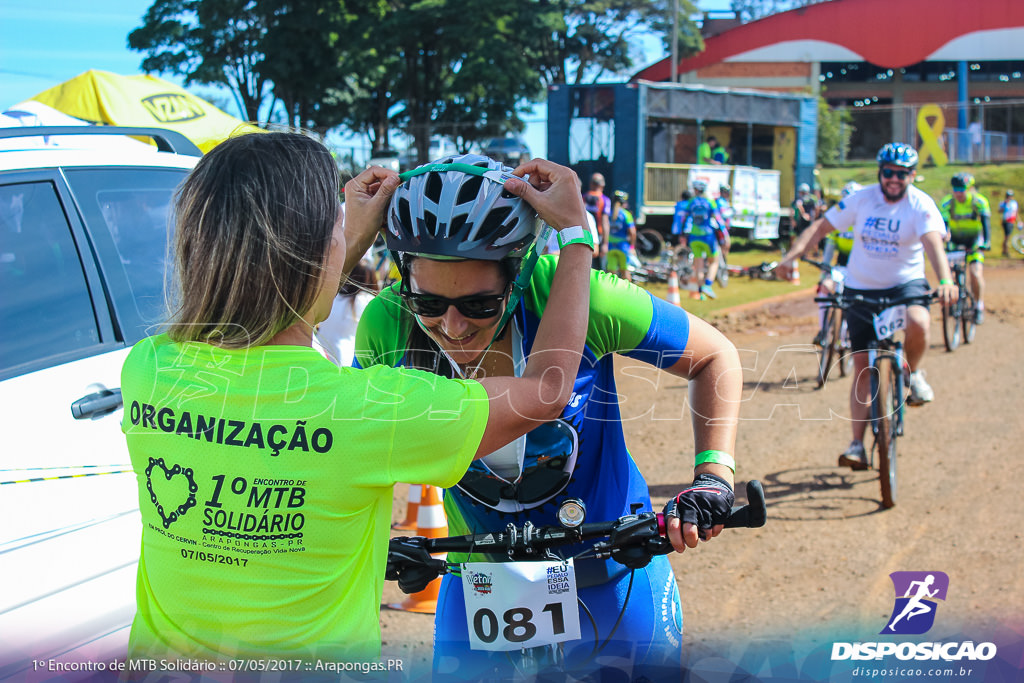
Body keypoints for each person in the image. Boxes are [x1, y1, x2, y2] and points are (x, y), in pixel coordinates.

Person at [119, 132, 594, 667]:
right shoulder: (371, 411)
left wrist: (344, 236)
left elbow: (275, 323)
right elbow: (548, 391)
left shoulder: (149, 369)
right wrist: (576, 237)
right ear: (319, 255)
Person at [355, 153, 742, 680]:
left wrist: (713, 477)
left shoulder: (582, 296)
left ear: (517, 274)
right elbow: (357, 443)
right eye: (426, 300)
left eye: (478, 304)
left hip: (610, 568)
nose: (451, 327)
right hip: (481, 579)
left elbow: (715, 356)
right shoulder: (388, 323)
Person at [778, 143, 956, 470]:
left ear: (912, 176)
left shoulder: (921, 205)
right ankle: (857, 445)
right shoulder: (861, 199)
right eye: (888, 172)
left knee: (920, 321)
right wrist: (791, 257)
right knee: (861, 365)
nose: (894, 179)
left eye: (902, 174)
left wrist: (945, 280)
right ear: (880, 172)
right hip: (861, 286)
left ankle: (913, 373)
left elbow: (933, 246)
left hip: (905, 283)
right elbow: (820, 228)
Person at [939, 172, 990, 323]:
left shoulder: (979, 202)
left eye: (962, 189)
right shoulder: (947, 203)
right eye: (956, 189)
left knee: (975, 273)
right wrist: (944, 240)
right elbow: (944, 226)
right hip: (955, 242)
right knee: (949, 273)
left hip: (974, 242)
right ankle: (953, 302)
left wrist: (986, 242)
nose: (959, 193)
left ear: (970, 188)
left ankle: (978, 305)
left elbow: (986, 224)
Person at [313, 260, 378, 367]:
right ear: (371, 278)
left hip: (320, 351)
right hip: (345, 359)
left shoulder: (333, 296)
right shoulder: (366, 301)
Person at [672, 179, 724, 299]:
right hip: (708, 236)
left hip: (694, 237)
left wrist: (682, 234)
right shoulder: (710, 202)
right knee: (714, 262)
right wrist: (724, 234)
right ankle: (708, 285)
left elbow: (684, 219)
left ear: (695, 190)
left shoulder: (691, 202)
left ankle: (701, 293)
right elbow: (718, 219)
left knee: (698, 264)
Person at [606, 189, 638, 280]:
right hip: (623, 247)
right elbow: (632, 233)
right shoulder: (626, 214)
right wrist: (632, 247)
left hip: (610, 246)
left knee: (611, 274)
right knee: (625, 271)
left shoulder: (609, 213)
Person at [583, 172, 611, 269]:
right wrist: (605, 244)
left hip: (583, 235)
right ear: (602, 185)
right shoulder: (604, 200)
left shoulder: (583, 197)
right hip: (598, 238)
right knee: (600, 269)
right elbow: (605, 222)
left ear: (591, 184)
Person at [715, 183, 734, 258]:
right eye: (725, 191)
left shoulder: (725, 202)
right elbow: (721, 215)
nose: (727, 193)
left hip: (725, 227)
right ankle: (722, 261)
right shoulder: (719, 202)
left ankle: (723, 262)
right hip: (721, 227)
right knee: (725, 244)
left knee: (726, 245)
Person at [1000, 189, 1019, 257]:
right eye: (1008, 195)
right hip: (1006, 221)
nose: (1009, 197)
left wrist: (1019, 221)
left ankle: (1004, 251)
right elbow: (1000, 211)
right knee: (1007, 237)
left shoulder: (1014, 203)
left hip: (1012, 221)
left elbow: (1016, 213)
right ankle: (1006, 251)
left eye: (1010, 196)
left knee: (1007, 237)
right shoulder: (1003, 203)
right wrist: (1005, 204)